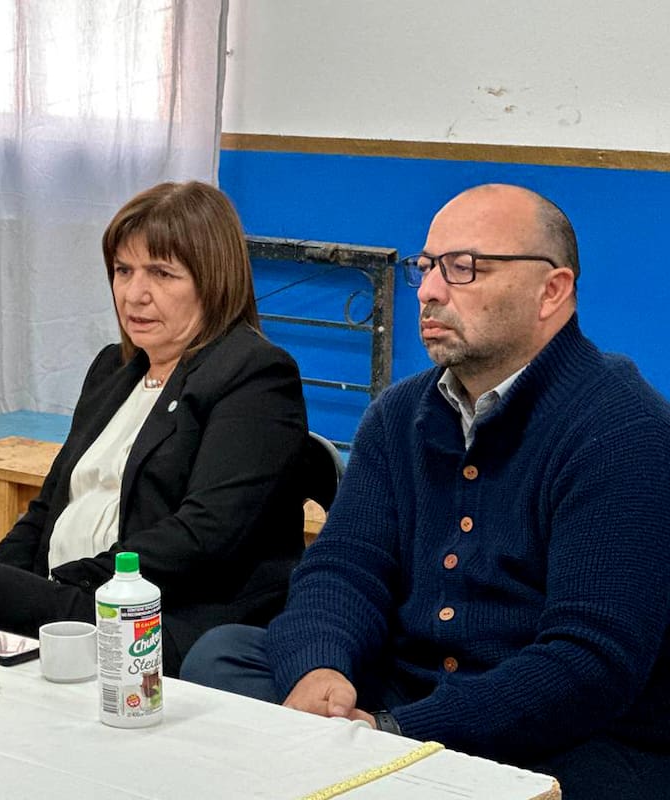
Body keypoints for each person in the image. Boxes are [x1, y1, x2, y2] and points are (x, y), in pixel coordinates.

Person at [180, 184, 670, 796]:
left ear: (552, 291)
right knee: (222, 655)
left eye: (464, 268)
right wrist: (321, 670)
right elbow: (343, 568)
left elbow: (589, 664)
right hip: (401, 695)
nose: (432, 291)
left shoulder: (621, 429)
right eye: (427, 267)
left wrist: (396, 732)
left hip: (564, 735)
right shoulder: (400, 413)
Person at [0, 181, 309, 677]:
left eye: (161, 273)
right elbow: (50, 504)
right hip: (74, 600)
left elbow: (206, 536)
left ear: (213, 280)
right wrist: (15, 578)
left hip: (159, 619)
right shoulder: (113, 370)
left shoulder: (255, 374)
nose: (135, 294)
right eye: (123, 271)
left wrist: (63, 583)